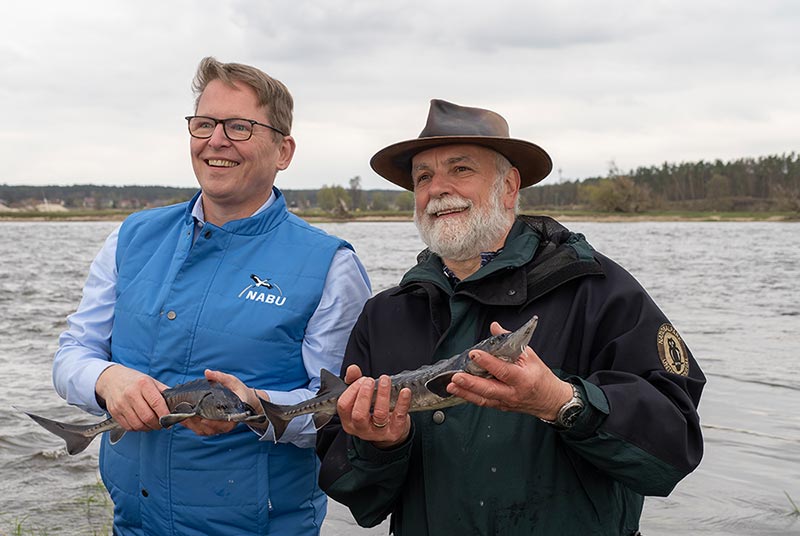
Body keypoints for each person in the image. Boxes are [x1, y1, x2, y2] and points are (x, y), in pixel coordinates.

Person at [316, 99, 705, 535]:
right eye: (423, 176)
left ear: (509, 187)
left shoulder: (599, 289)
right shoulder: (385, 314)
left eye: (461, 170)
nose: (438, 189)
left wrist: (563, 403)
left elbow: (674, 449)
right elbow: (352, 489)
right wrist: (381, 444)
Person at [52, 57, 372, 535]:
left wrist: (257, 409)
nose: (215, 141)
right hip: (133, 523)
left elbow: (339, 409)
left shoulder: (330, 265)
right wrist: (106, 379)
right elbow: (71, 355)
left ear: (283, 150)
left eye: (239, 127)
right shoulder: (131, 237)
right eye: (204, 123)